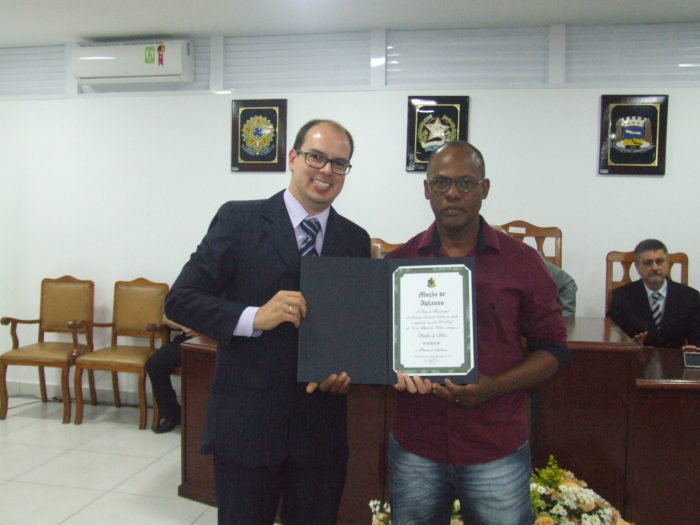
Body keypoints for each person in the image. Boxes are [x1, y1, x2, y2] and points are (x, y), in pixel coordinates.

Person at [165, 119, 370, 525]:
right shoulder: (239, 220)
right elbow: (180, 300)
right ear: (293, 158)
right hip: (248, 427)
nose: (326, 170)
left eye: (339, 163)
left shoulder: (354, 239)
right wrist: (253, 317)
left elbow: (355, 329)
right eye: (316, 157)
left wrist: (348, 370)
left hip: (320, 434)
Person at [386, 141, 569, 525]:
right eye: (441, 183)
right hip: (418, 443)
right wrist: (389, 372)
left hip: (495, 443)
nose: (452, 193)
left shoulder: (522, 262)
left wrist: (494, 386)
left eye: (465, 183)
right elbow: (378, 349)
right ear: (427, 190)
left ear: (484, 189)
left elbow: (553, 349)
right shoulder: (398, 263)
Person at [607, 239, 700, 349]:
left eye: (660, 261)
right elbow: (613, 339)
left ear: (667, 263)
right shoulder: (622, 296)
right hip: (637, 357)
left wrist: (694, 350)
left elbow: (697, 338)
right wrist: (631, 345)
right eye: (648, 263)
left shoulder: (690, 297)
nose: (655, 268)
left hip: (675, 358)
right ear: (637, 266)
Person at [146, 315, 198, 434]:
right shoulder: (186, 301)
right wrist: (185, 328)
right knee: (155, 364)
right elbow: (165, 318)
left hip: (214, 340)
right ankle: (172, 414)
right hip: (187, 338)